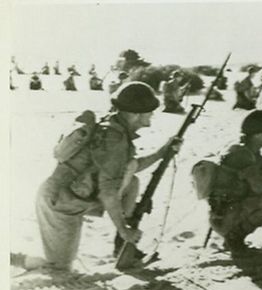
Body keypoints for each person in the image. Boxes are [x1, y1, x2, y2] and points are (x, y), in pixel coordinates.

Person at [35, 82, 182, 270]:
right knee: (59, 268)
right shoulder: (115, 139)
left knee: (132, 181)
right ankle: (17, 260)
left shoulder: (115, 128)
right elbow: (108, 192)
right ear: (136, 114)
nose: (152, 114)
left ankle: (120, 246)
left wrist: (162, 153)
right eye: (149, 111)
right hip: (60, 204)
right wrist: (124, 230)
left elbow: (126, 168)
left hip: (76, 195)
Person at [194, 110, 262, 253]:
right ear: (258, 135)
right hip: (225, 217)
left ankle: (233, 238)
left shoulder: (253, 154)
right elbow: (260, 188)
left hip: (227, 214)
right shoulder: (242, 155)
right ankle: (234, 239)